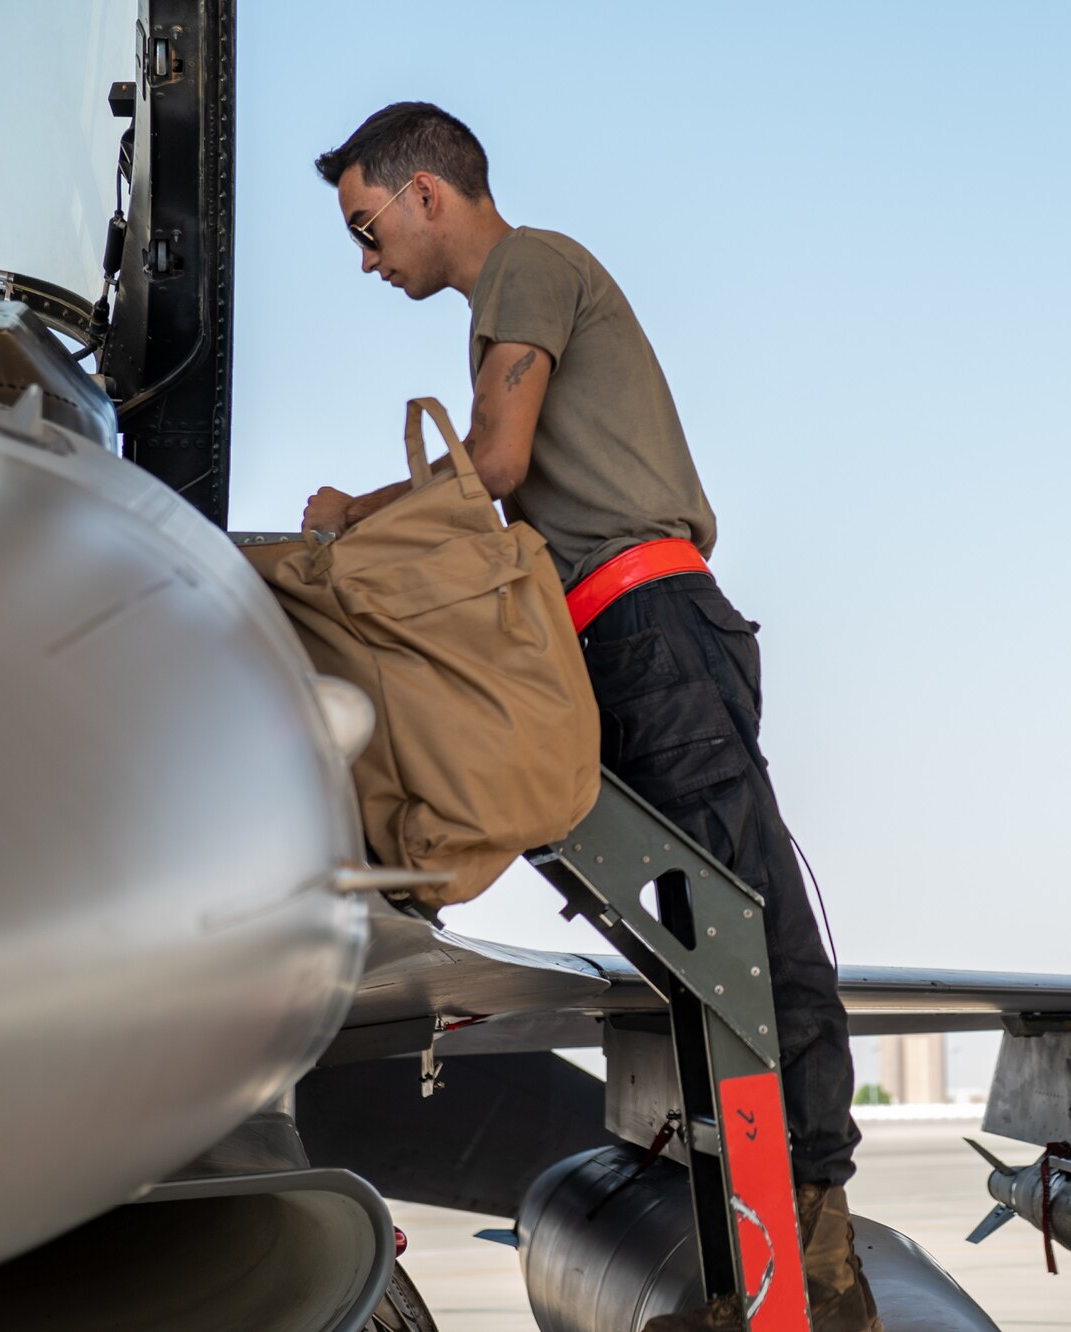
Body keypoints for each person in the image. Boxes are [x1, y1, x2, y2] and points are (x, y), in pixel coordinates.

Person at [305, 102, 878, 1332]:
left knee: (743, 936)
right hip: (604, 640)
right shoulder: (499, 302)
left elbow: (498, 468)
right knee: (692, 946)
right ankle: (757, 1237)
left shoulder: (528, 265)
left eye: (366, 228)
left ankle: (814, 1264)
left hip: (648, 628)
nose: (367, 260)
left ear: (425, 194)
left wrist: (361, 511)